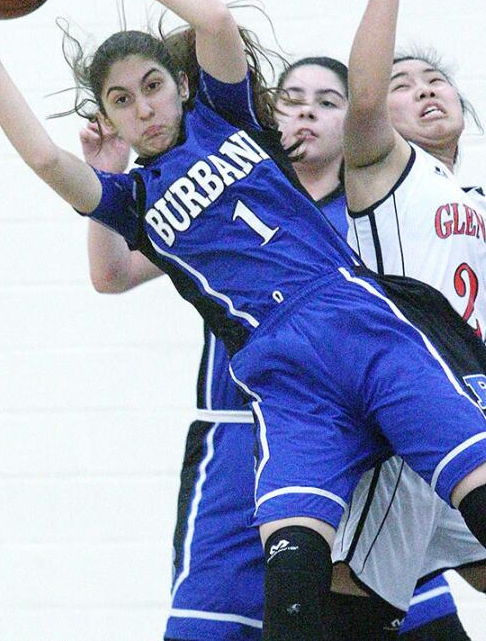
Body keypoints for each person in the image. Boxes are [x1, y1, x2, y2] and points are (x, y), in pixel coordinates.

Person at [0, 0, 486, 641]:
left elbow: (213, 23)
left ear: (178, 86)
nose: (142, 107)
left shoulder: (226, 118)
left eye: (152, 85)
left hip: (360, 323)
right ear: (106, 118)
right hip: (281, 373)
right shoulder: (132, 199)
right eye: (120, 100)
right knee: (294, 573)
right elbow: (44, 159)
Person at [80, 54, 353, 641]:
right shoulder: (208, 192)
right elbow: (112, 275)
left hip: (340, 428)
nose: (306, 109)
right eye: (293, 97)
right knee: (208, 626)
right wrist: (108, 170)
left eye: (328, 100)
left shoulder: (368, 209)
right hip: (236, 432)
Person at [335, 0, 486, 638]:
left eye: (436, 79)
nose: (425, 88)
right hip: (406, 414)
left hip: (473, 417)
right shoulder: (382, 167)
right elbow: (366, 94)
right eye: (407, 83)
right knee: (346, 613)